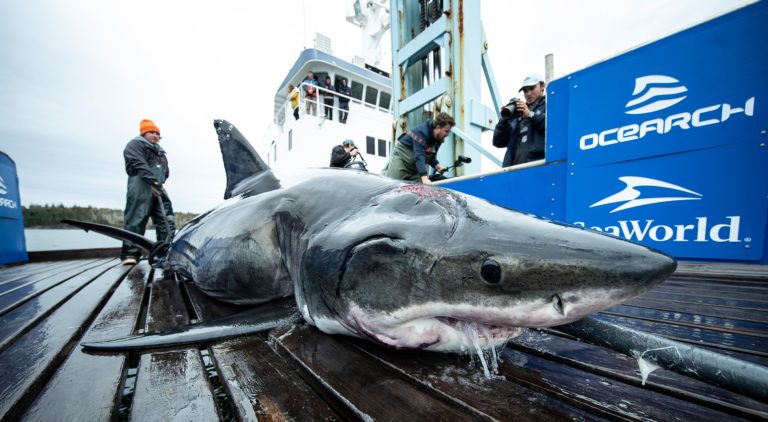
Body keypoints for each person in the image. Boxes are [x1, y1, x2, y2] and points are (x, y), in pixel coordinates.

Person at [120, 119, 176, 265]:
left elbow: (165, 170)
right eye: (152, 132)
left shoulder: (160, 151)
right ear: (144, 133)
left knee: (166, 219)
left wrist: (159, 182)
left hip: (158, 186)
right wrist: (152, 181)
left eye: (158, 134)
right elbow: (138, 164)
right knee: (136, 218)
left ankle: (166, 252)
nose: (156, 135)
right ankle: (130, 254)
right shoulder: (135, 145)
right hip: (141, 185)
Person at [492, 74, 547, 167]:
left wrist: (530, 114)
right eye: (525, 91)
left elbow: (553, 128)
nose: (528, 93)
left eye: (532, 88)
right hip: (514, 170)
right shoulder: (517, 113)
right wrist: (504, 121)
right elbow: (498, 142)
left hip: (537, 168)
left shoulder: (550, 104)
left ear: (542, 86)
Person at [385, 112, 455, 184]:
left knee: (421, 189)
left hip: (416, 168)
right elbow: (419, 155)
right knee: (392, 184)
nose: (447, 135)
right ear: (438, 128)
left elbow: (430, 155)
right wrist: (424, 177)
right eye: (446, 131)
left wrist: (436, 164)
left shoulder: (439, 139)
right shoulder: (420, 132)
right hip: (403, 160)